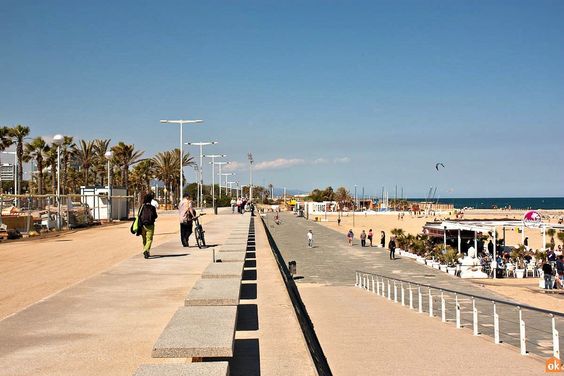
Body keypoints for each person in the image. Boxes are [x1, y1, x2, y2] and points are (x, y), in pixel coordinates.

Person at [140, 192, 158, 259]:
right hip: (150, 225)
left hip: (142, 225)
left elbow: (139, 215)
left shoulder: (142, 207)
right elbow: (155, 216)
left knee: (144, 239)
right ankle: (146, 250)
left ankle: (146, 250)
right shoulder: (152, 207)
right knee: (149, 239)